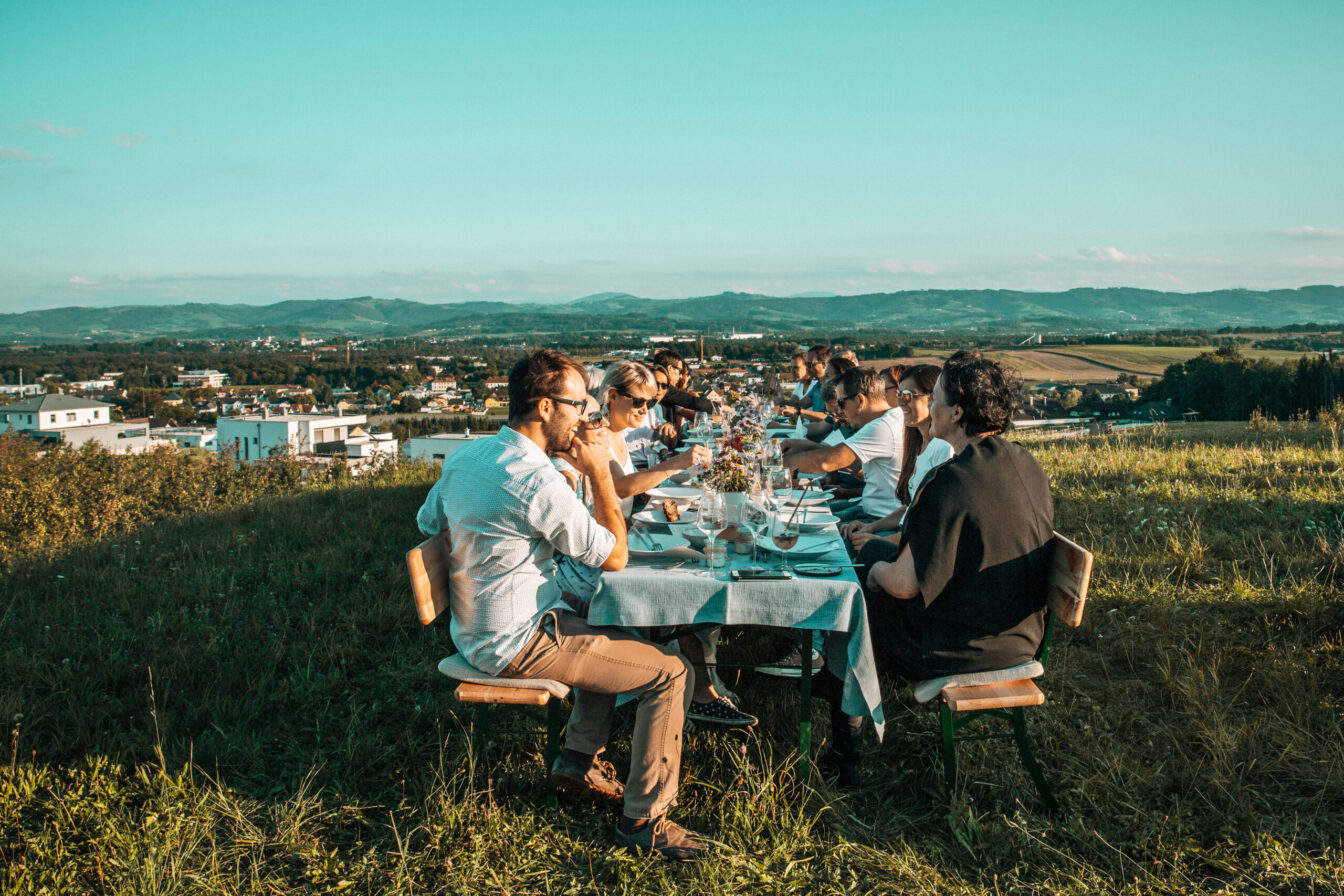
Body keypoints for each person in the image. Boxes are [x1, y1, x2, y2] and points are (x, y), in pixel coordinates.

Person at [416, 349, 708, 860]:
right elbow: (614, 555)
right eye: (579, 405)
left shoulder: (469, 455)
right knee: (671, 673)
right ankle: (645, 820)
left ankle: (577, 760)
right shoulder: (538, 481)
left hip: (480, 627)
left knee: (613, 627)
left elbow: (427, 522)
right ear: (546, 407)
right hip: (515, 640)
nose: (587, 415)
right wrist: (597, 471)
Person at [818, 353, 1055, 786]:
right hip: (1021, 636)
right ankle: (834, 691)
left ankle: (844, 756)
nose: (933, 408)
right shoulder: (1026, 462)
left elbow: (906, 585)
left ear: (958, 411)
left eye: (939, 398)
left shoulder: (950, 480)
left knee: (847, 608)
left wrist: (872, 575)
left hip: (961, 647)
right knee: (867, 572)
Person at [842, 363, 955, 547]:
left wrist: (880, 540)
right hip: (901, 533)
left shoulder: (942, 448)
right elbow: (910, 508)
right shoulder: (916, 444)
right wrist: (870, 528)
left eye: (909, 396)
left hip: (915, 545)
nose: (901, 403)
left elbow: (932, 523)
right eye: (899, 395)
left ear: (933, 398)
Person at [783, 366, 905, 524]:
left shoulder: (882, 426)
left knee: (796, 524)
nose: (840, 412)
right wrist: (800, 447)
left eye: (841, 403)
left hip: (879, 519)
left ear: (860, 400)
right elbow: (849, 462)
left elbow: (827, 461)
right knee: (797, 517)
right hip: (868, 508)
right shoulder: (890, 419)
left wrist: (772, 465)